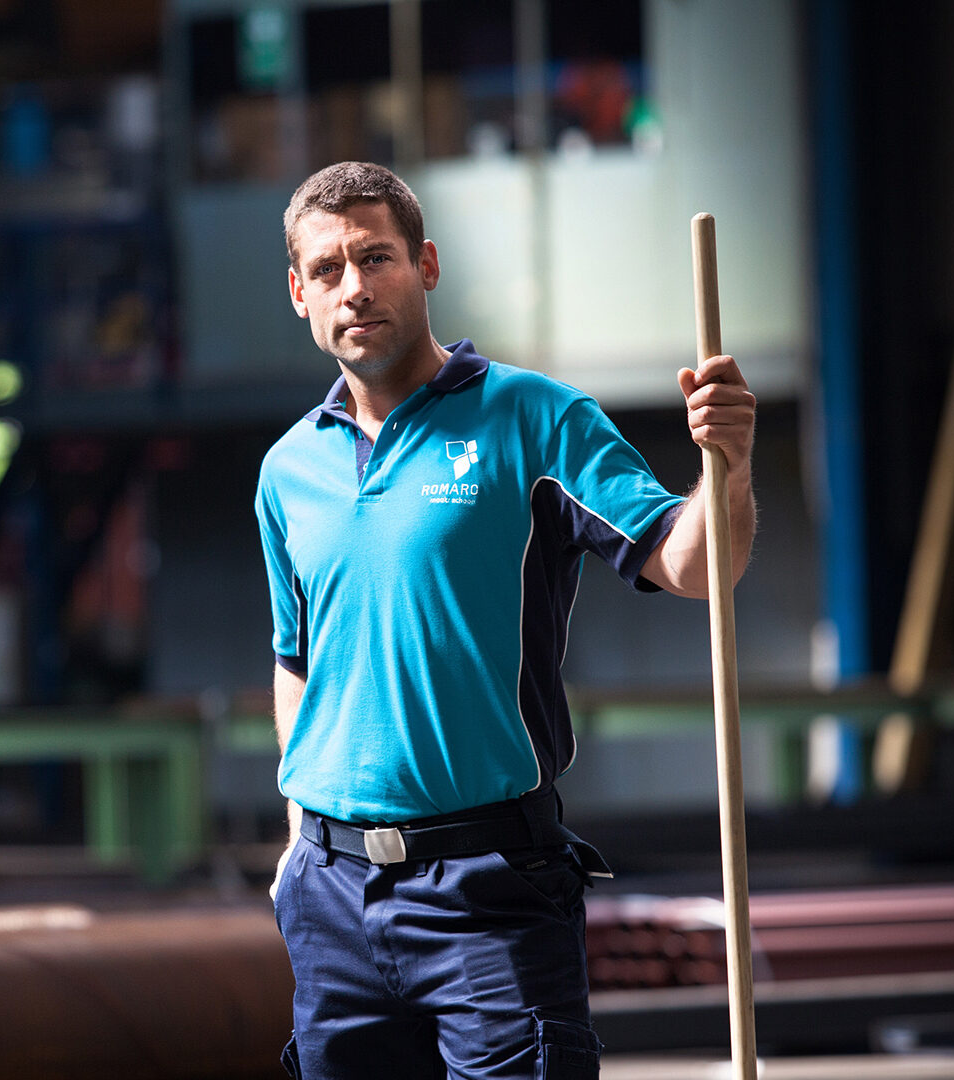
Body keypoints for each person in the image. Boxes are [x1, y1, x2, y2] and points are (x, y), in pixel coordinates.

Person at [254, 161, 756, 1080]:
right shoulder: (288, 470)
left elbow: (691, 565)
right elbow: (298, 661)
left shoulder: (534, 418)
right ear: (298, 293)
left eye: (377, 257)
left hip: (488, 884)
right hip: (331, 901)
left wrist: (728, 463)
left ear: (428, 264)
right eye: (327, 269)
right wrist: (298, 846)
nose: (354, 287)